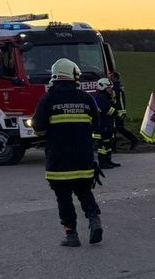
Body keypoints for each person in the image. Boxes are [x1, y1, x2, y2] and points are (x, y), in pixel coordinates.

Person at [31, 59, 103, 246]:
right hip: (83, 159)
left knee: (63, 199)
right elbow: (97, 126)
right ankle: (94, 220)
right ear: (73, 75)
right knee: (85, 192)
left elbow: (37, 126)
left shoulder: (48, 99)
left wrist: (48, 132)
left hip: (58, 160)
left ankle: (71, 235)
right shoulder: (87, 98)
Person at [94, 77, 121, 168]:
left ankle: (108, 160)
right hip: (103, 125)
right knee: (103, 144)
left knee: (108, 143)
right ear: (102, 87)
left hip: (107, 124)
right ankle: (102, 163)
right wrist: (117, 113)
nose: (111, 90)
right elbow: (108, 110)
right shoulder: (101, 97)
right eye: (108, 88)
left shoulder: (105, 97)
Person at [110, 71, 138, 150]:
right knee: (115, 128)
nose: (109, 78)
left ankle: (134, 140)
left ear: (115, 78)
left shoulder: (115, 87)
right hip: (119, 111)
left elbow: (118, 101)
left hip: (118, 111)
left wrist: (121, 112)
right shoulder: (118, 86)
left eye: (111, 77)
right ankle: (113, 146)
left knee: (119, 128)